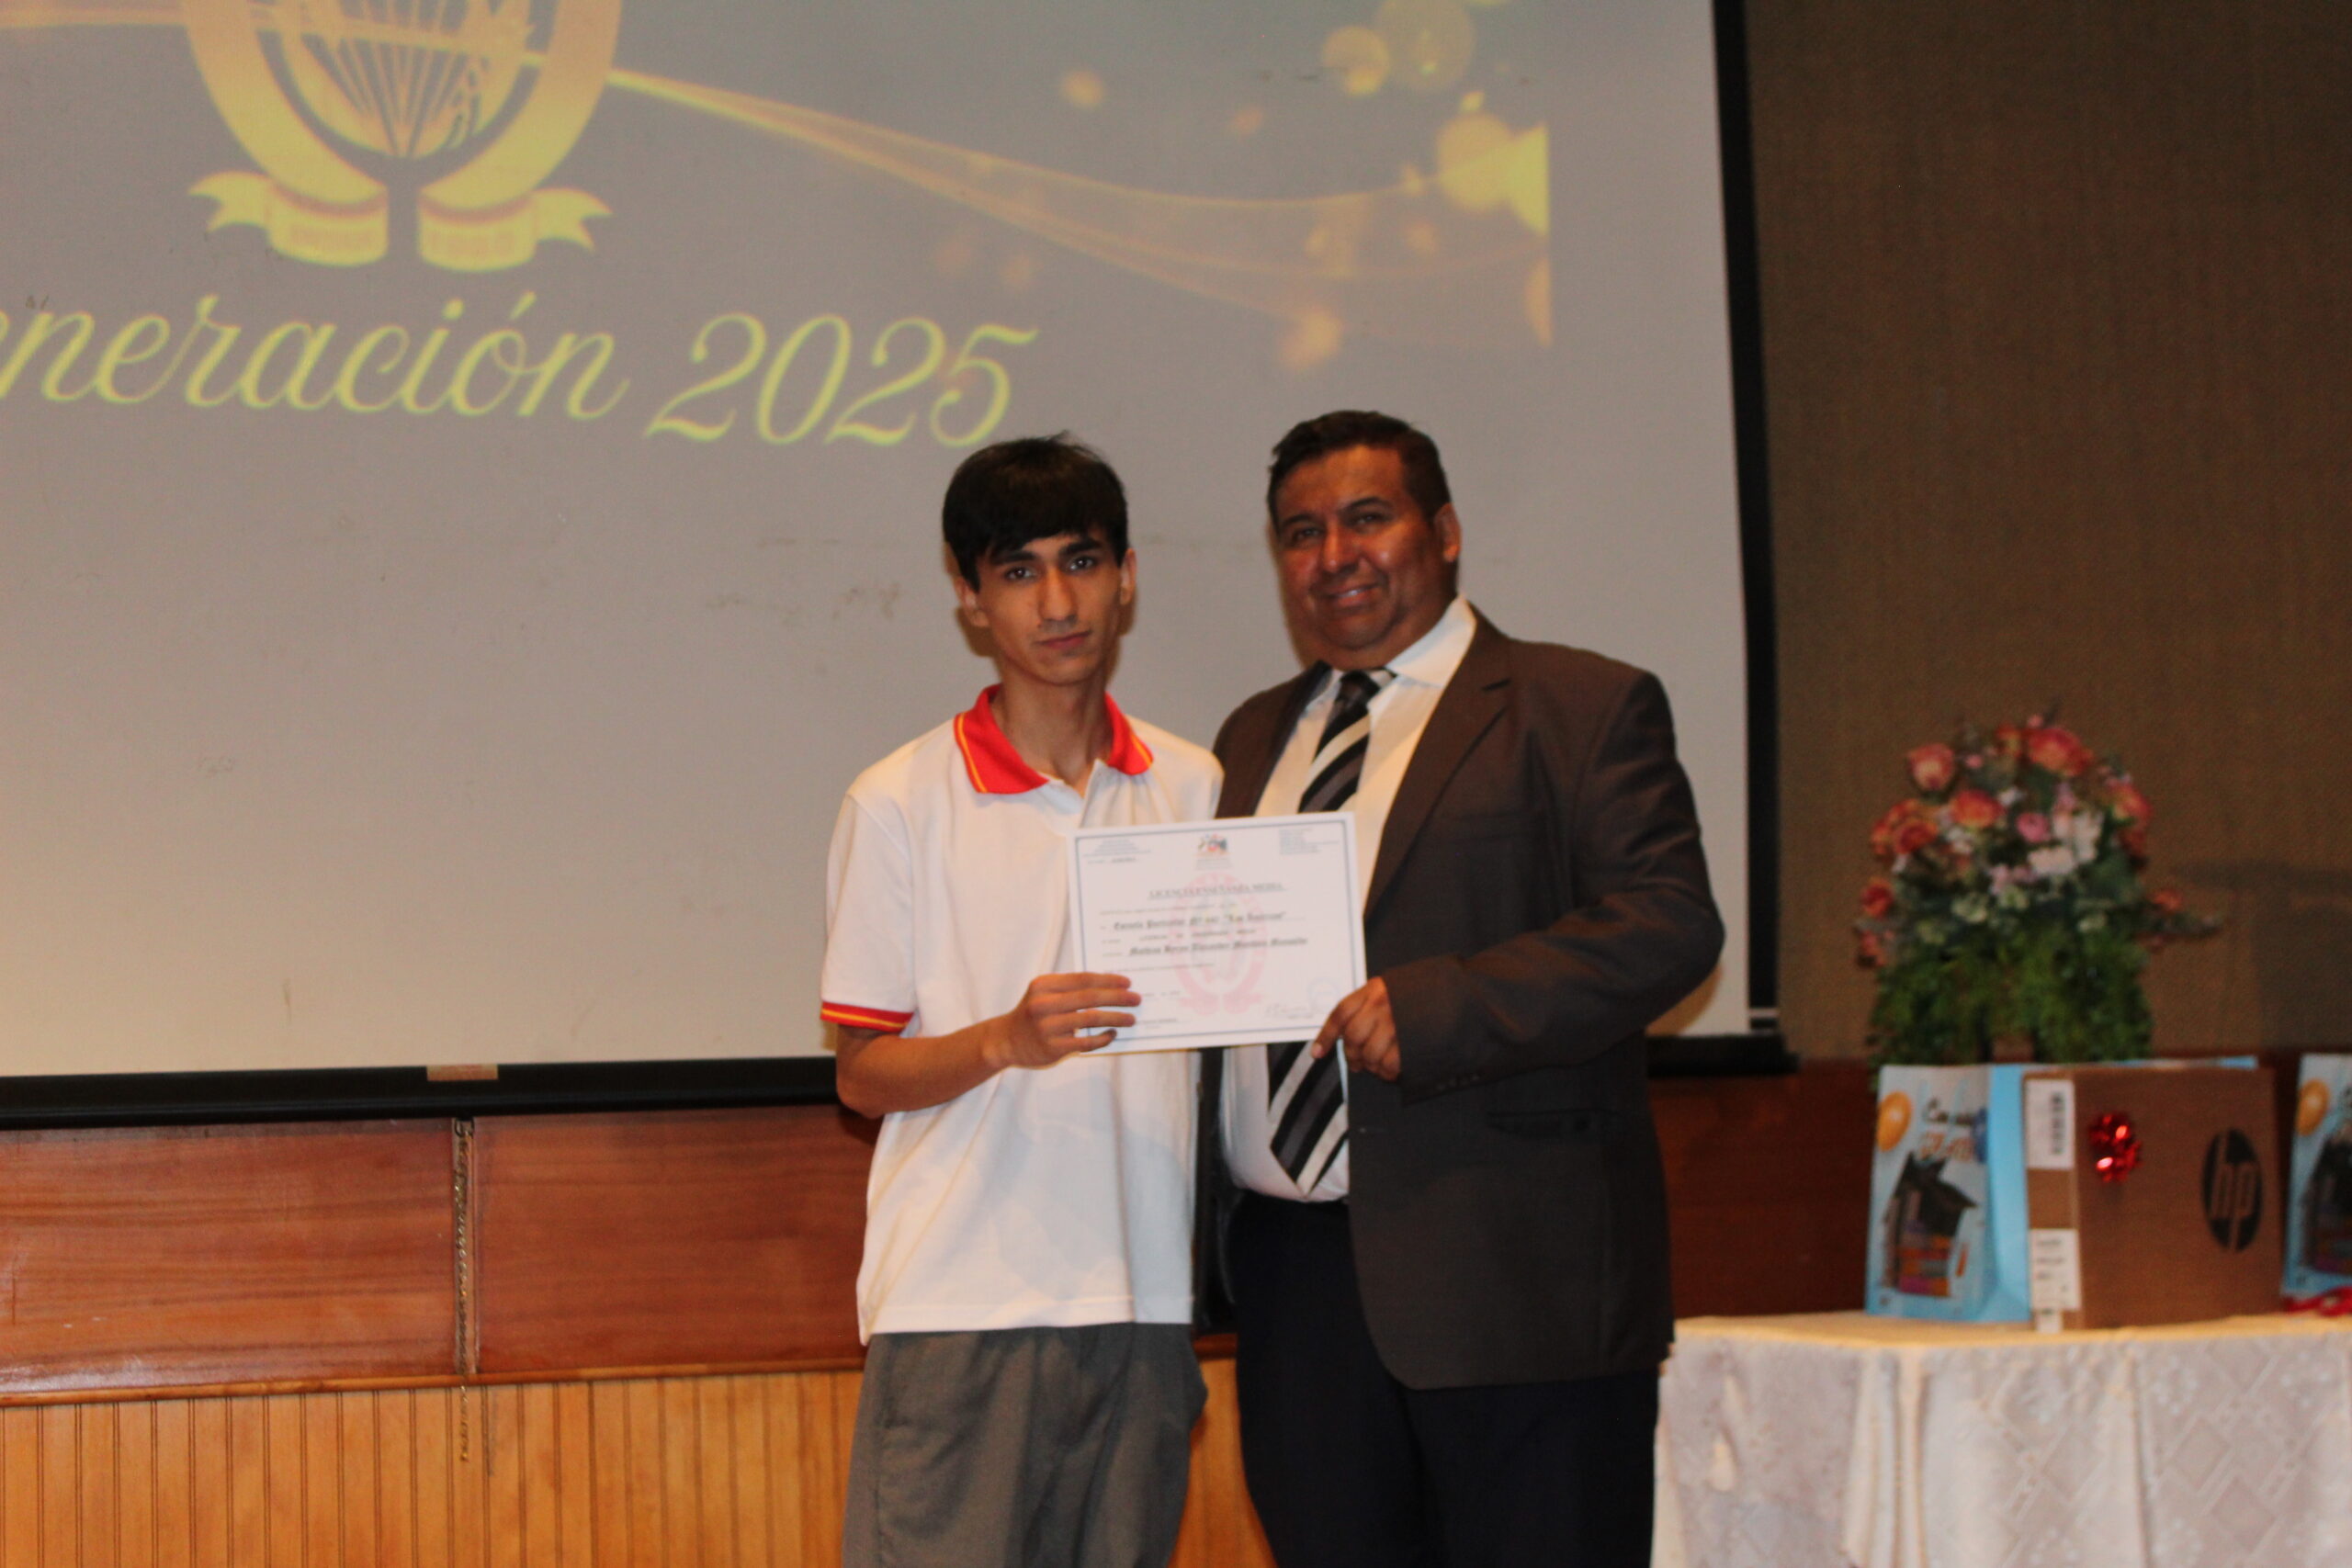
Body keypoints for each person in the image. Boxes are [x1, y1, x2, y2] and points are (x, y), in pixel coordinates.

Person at [1200, 411, 1723, 1568]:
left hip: (1512, 1276)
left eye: (1366, 519)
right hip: (1296, 1288)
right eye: (1301, 532)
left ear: (1443, 532)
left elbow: (1669, 925)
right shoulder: (1247, 737)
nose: (1333, 555)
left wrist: (1442, 1008)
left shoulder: (1578, 707)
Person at [820, 434, 1220, 1568]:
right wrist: (1003, 1039)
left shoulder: (1195, 785)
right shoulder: (897, 800)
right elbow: (859, 1074)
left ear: (1126, 575)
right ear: (969, 595)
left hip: (1145, 1298)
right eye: (1017, 571)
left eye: (1081, 562)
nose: (1056, 602)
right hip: (963, 1301)